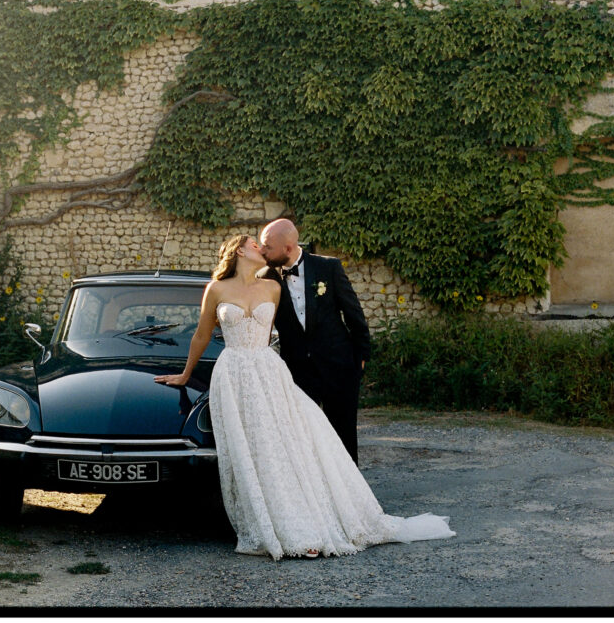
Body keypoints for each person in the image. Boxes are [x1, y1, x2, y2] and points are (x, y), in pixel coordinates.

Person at [155, 234, 454, 560]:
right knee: (252, 448)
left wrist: (352, 356)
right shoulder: (216, 289)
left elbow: (299, 326)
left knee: (289, 443)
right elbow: (201, 334)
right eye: (256, 244)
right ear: (239, 250)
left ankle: (306, 522)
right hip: (233, 374)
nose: (261, 249)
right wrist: (185, 374)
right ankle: (267, 521)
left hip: (269, 372)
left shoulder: (272, 287)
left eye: (264, 245)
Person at [256, 218, 369, 464]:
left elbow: (354, 313)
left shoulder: (328, 267)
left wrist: (360, 357)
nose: (262, 250)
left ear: (288, 248)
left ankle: (347, 486)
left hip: (338, 365)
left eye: (267, 246)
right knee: (301, 437)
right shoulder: (265, 277)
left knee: (343, 434)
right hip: (296, 370)